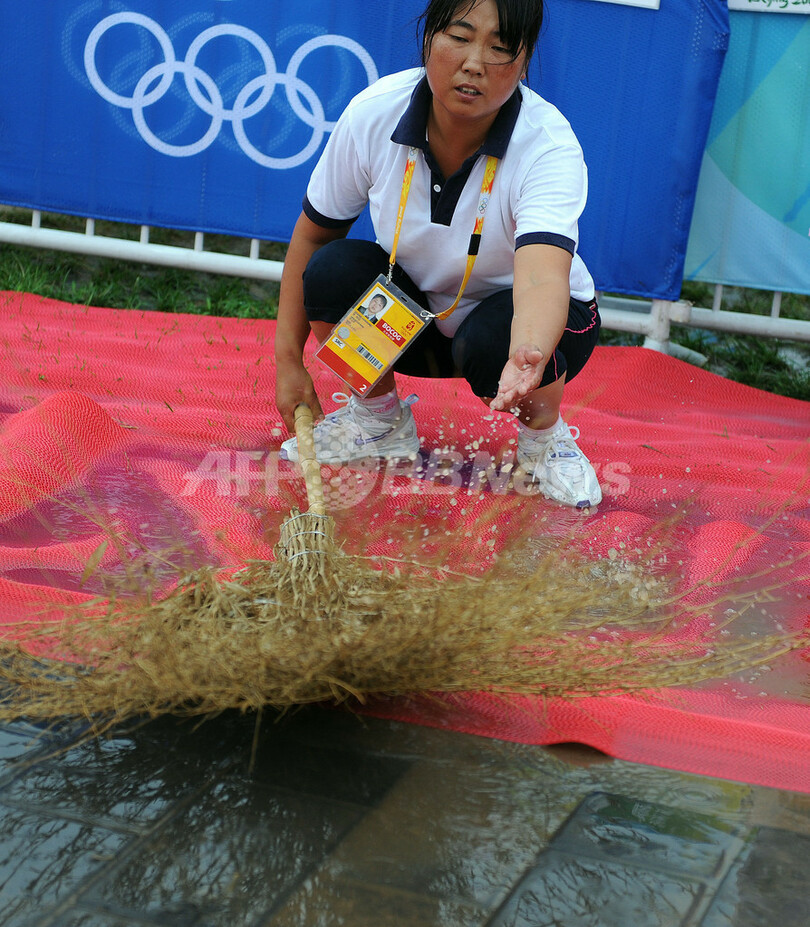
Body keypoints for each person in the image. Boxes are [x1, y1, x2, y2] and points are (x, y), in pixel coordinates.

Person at [274, 0, 602, 508]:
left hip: (520, 328)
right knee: (333, 273)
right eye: (460, 35)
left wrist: (527, 352)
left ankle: (544, 443)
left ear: (524, 60)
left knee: (495, 339)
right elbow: (314, 235)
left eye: (500, 48)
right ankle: (379, 421)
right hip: (417, 318)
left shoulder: (548, 145)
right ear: (429, 38)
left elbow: (541, 278)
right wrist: (286, 360)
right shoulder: (374, 112)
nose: (474, 63)